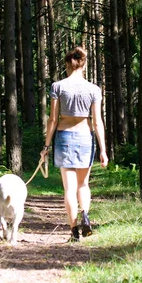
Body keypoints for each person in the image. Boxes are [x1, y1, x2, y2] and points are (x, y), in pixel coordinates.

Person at [40, 46, 108, 242]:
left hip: (64, 138)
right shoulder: (94, 89)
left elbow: (53, 119)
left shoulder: (58, 86)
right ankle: (85, 213)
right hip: (86, 137)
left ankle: (74, 231)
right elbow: (97, 122)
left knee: (69, 188)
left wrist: (45, 147)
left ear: (68, 64)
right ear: (84, 64)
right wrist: (103, 149)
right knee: (83, 184)